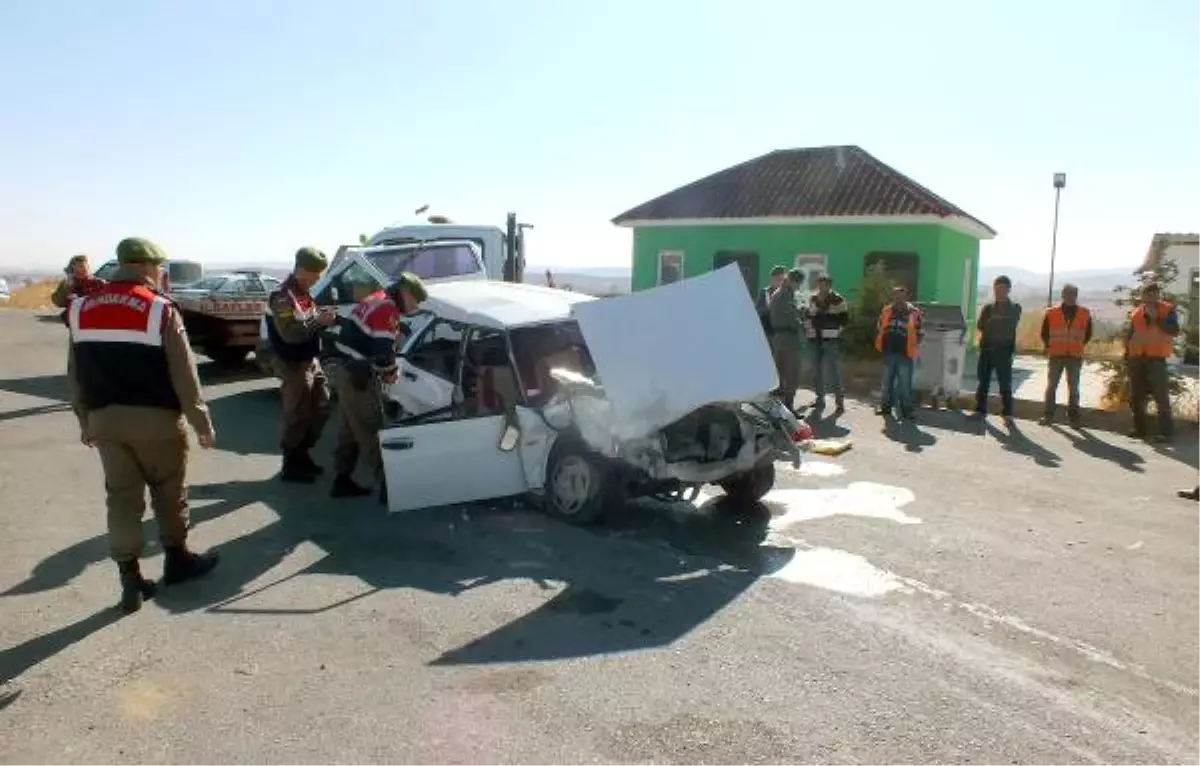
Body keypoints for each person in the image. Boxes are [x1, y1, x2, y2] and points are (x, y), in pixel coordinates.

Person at [66, 237, 219, 613]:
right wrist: (201, 423)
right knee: (169, 492)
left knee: (121, 499)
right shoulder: (160, 309)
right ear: (150, 267)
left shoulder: (81, 308)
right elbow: (184, 375)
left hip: (105, 421)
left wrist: (84, 419)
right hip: (156, 422)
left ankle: (130, 582)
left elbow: (75, 374)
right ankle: (177, 560)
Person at [329, 273, 428, 499]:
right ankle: (389, 487)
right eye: (415, 301)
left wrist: (400, 330)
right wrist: (392, 373)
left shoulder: (377, 298)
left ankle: (341, 480)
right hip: (358, 375)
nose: (415, 307)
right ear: (405, 292)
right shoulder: (387, 308)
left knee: (351, 429)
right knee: (370, 429)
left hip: (347, 371)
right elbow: (383, 355)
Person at [264, 247, 338, 482]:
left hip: (310, 360)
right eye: (315, 275)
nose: (317, 280)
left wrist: (322, 319)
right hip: (292, 363)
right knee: (297, 414)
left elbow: (310, 322)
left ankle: (302, 453)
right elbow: (290, 335)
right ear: (303, 270)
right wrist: (319, 321)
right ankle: (292, 464)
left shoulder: (305, 294)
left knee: (322, 407)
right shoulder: (283, 297)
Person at [1124, 282, 1179, 442]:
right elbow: (1130, 336)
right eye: (1147, 295)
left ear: (1158, 295)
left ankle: (1165, 432)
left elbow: (1174, 330)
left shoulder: (1167, 310)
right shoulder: (1136, 313)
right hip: (1137, 359)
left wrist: (1157, 320)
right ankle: (1139, 429)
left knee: (1161, 396)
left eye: (1153, 294)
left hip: (1156, 359)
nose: (1150, 298)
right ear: (1143, 296)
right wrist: (1127, 356)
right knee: (1136, 397)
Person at [1038, 284, 1092, 426]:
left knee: (1073, 388)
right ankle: (1048, 416)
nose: (1070, 296)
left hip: (1074, 355)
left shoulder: (1084, 313)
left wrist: (1077, 344)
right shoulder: (1052, 312)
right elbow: (1044, 333)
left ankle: (1074, 418)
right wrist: (1049, 346)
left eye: (1073, 294)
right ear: (1062, 295)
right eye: (1067, 294)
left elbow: (1088, 334)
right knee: (1051, 386)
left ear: (1076, 296)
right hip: (1056, 354)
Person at [973, 275, 1022, 422]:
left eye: (1002, 288)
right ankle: (980, 410)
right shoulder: (988, 308)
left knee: (1005, 383)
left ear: (1008, 290)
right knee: (983, 382)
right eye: (996, 288)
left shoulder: (1014, 308)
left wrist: (993, 324)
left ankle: (1007, 413)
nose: (999, 291)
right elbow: (980, 326)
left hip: (1003, 352)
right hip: (987, 350)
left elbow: (1008, 326)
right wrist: (994, 323)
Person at [875, 285, 923, 420]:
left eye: (901, 296)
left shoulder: (914, 313)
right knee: (886, 382)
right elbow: (880, 326)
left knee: (905, 384)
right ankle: (885, 408)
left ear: (906, 297)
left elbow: (920, 332)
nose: (898, 299)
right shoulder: (887, 310)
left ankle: (907, 410)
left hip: (905, 353)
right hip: (889, 351)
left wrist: (912, 345)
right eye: (896, 296)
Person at [805, 273, 848, 412]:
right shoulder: (813, 299)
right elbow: (809, 317)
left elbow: (844, 319)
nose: (822, 287)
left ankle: (839, 402)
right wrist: (809, 333)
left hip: (830, 340)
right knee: (817, 371)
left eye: (824, 285)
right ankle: (819, 399)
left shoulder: (838, 299)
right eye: (819, 285)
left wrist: (836, 332)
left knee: (834, 370)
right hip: (815, 339)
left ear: (830, 285)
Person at [768, 268, 805, 411]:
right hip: (788, 338)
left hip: (779, 338)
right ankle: (788, 407)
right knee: (792, 373)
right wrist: (803, 322)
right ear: (793, 281)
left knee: (779, 373)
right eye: (798, 283)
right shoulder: (785, 295)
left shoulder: (779, 293)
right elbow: (792, 320)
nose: (799, 287)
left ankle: (776, 407)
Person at [51, 254, 106, 324]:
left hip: (95, 323)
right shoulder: (68, 284)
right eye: (77, 268)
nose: (81, 270)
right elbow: (59, 303)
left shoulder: (99, 283)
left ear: (88, 268)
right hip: (75, 325)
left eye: (83, 267)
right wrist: (67, 287)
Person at [756, 265, 787, 338]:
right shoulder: (765, 292)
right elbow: (758, 311)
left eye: (783, 280)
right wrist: (769, 308)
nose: (780, 283)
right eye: (778, 279)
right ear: (772, 279)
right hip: (768, 332)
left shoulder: (787, 293)